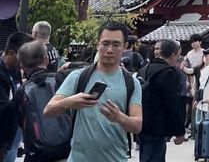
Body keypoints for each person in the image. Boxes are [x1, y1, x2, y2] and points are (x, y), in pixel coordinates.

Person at [44, 20, 142, 162]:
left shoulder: (132, 83)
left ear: (125, 47)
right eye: (105, 43)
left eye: (116, 44)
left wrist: (119, 117)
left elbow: (137, 125)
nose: (109, 50)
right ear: (97, 44)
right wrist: (70, 102)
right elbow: (48, 110)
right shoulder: (78, 77)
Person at [137, 38, 185, 162]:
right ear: (173, 55)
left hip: (141, 124)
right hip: (157, 127)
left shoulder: (143, 70)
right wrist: (179, 131)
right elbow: (173, 103)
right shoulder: (168, 72)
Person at [0, 32, 34, 162]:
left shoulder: (14, 71)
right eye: (23, 58)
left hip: (9, 137)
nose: (24, 63)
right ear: (11, 53)